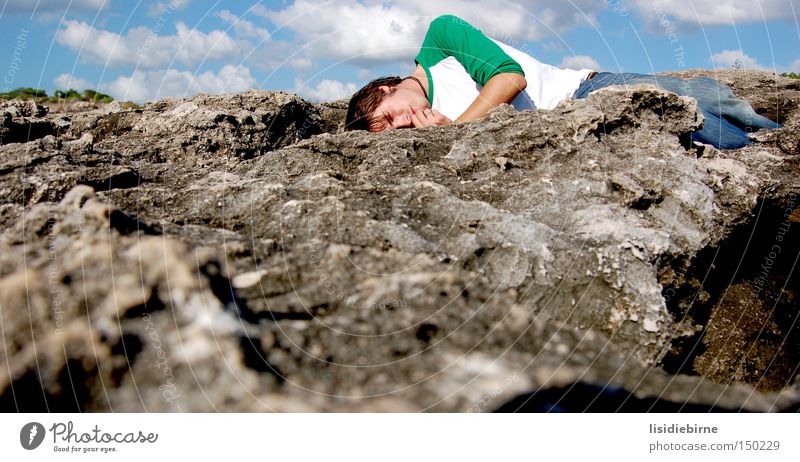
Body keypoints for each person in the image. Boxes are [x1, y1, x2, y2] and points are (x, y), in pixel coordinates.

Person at [345, 14, 781, 150]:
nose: (405, 125)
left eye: (390, 117)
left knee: (728, 105)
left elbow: (508, 77)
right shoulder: (429, 130)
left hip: (587, 89)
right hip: (571, 127)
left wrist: (456, 130)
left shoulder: (440, 40)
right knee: (717, 136)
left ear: (384, 90)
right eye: (396, 133)